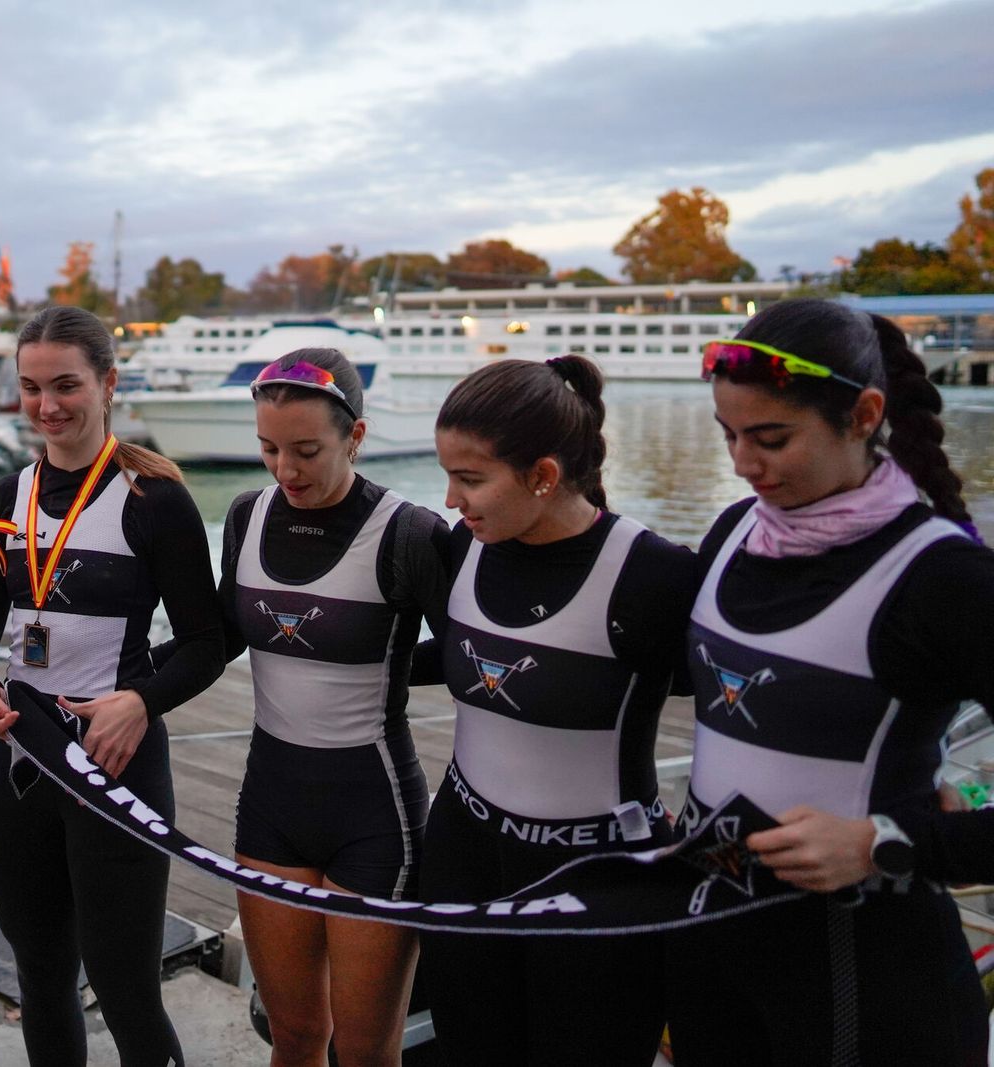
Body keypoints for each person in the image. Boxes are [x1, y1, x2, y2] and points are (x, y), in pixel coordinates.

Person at [665, 298, 994, 1065]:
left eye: (772, 438)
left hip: (864, 968)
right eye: (730, 435)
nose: (744, 464)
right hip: (711, 946)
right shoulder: (733, 532)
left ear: (864, 414)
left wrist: (888, 841)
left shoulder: (944, 580)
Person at [0, 305, 224, 1067]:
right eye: (32, 388)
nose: (48, 406)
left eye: (66, 385)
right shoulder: (6, 497)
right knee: (41, 976)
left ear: (108, 383)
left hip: (117, 764)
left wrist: (141, 701)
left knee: (126, 984)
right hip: (21, 765)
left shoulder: (153, 498)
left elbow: (207, 642)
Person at [416, 355, 696, 1066]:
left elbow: (742, 707)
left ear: (542, 475)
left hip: (596, 879)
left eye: (470, 479)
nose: (452, 500)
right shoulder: (467, 547)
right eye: (448, 475)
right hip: (465, 855)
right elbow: (465, 662)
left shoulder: (651, 574)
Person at [210, 348, 448, 1067]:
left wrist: (384, 663)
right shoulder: (247, 516)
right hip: (271, 807)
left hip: (374, 817)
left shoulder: (409, 532)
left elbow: (477, 656)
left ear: (356, 435)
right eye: (268, 449)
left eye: (307, 450)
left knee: (367, 1051)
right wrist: (127, 693)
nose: (285, 470)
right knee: (295, 1038)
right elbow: (215, 638)